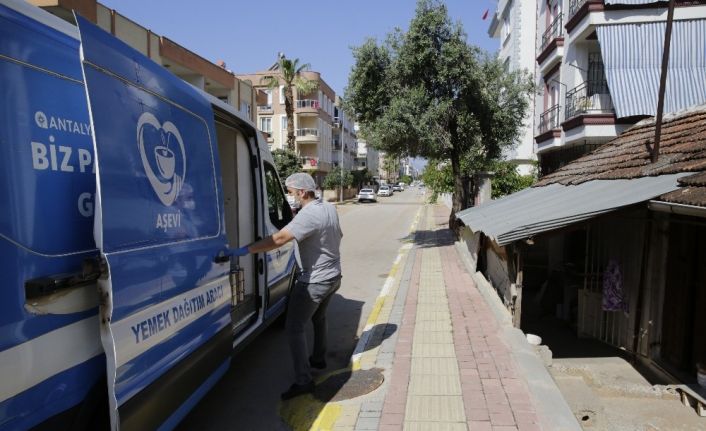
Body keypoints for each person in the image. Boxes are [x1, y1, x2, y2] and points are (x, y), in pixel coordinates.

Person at [230, 173, 343, 400]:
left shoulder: (309, 214)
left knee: (294, 327)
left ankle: (304, 380)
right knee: (318, 318)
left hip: (314, 281)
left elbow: (279, 239)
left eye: (291, 192)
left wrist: (246, 250)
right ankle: (318, 358)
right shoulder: (328, 207)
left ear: (302, 192)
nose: (290, 196)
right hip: (334, 276)